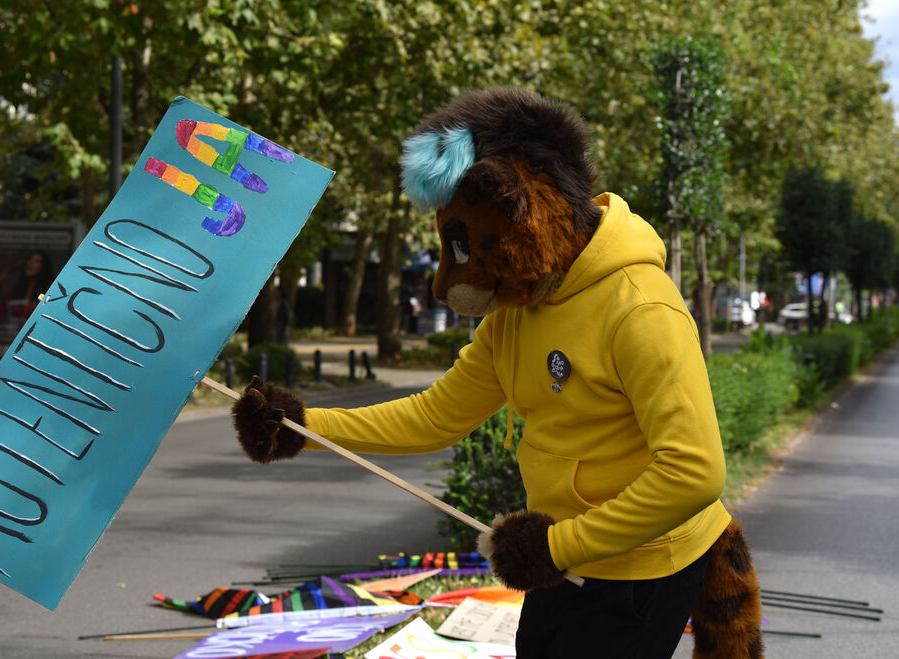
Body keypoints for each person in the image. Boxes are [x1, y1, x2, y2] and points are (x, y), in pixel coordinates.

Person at [231, 88, 761, 658]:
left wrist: (559, 545)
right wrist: (303, 426)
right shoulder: (518, 309)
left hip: (642, 564)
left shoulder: (639, 307)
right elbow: (436, 416)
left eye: (464, 243)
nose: (446, 281)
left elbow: (694, 472)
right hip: (563, 557)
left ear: (525, 209)